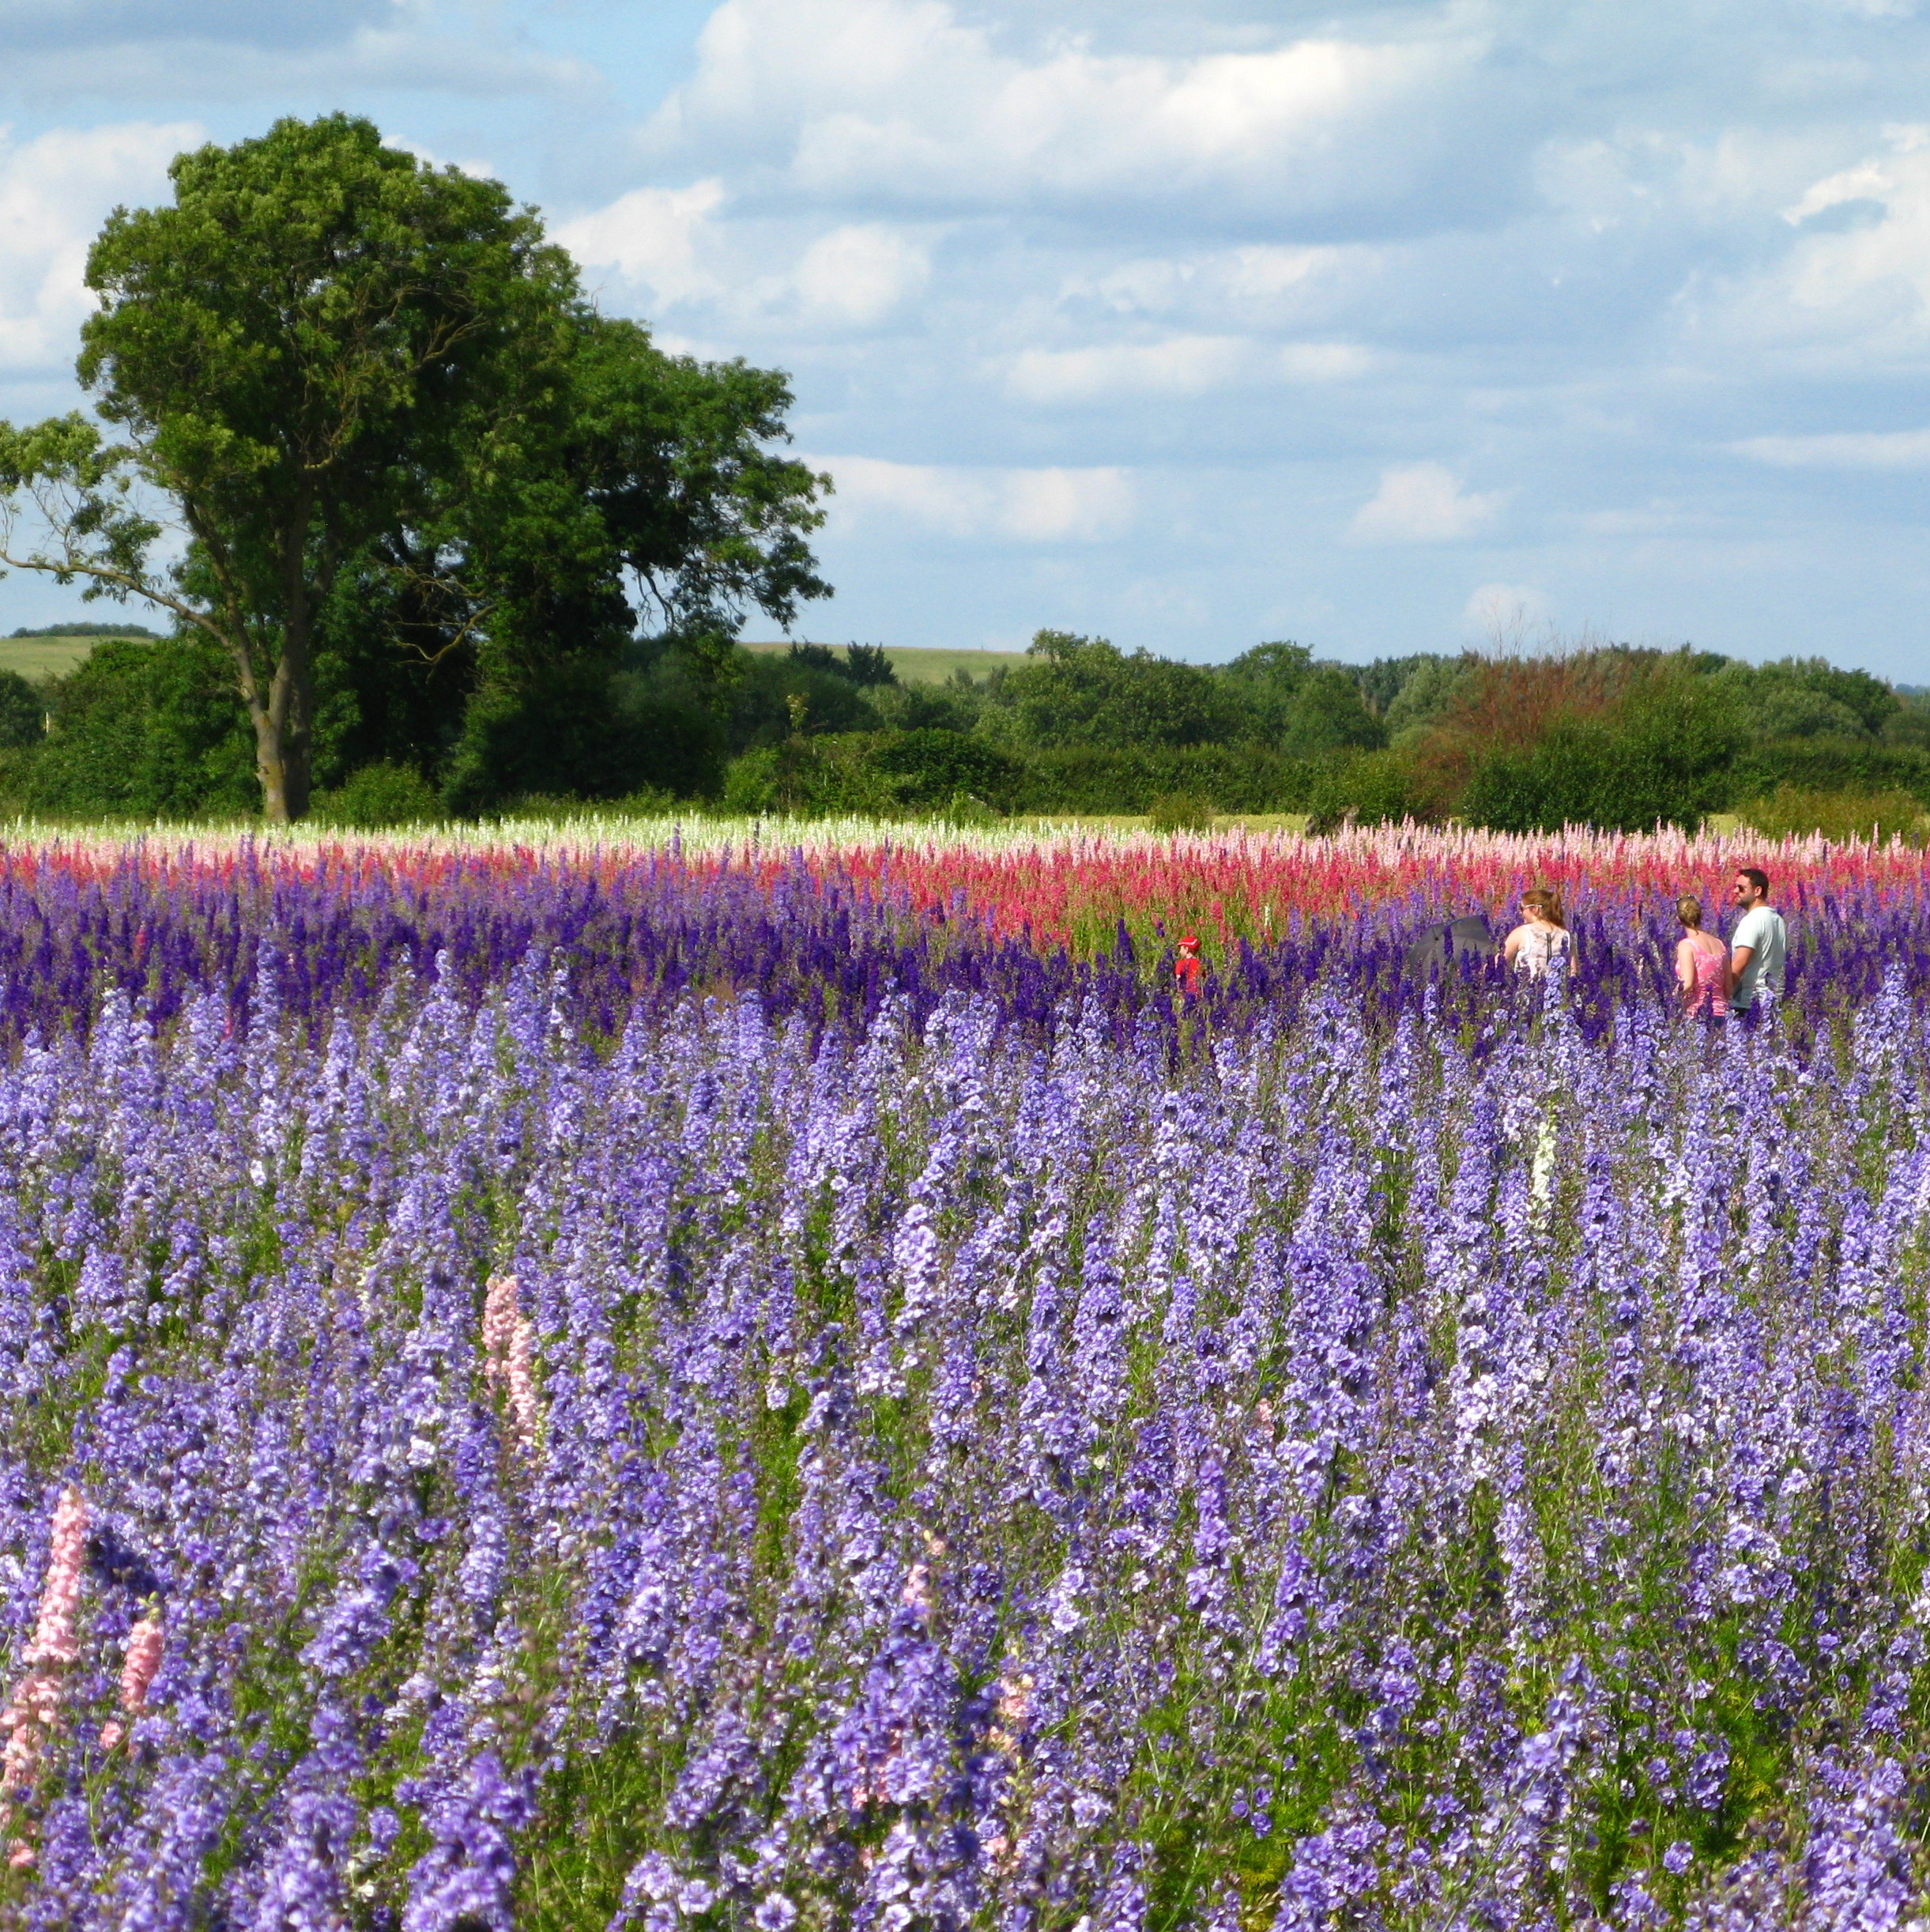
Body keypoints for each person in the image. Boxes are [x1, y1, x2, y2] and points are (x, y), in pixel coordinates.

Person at [1727, 866, 1786, 1015]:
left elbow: (1740, 964)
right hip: (1772, 1000)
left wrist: (1723, 994)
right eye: (1735, 887)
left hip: (1748, 1002)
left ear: (1757, 891)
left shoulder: (1752, 921)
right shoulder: (1778, 920)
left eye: (1741, 888)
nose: (1735, 891)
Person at [1673, 894, 1728, 1017]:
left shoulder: (1687, 945)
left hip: (1698, 1014)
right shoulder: (1720, 944)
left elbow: (1688, 983)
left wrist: (1669, 998)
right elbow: (1728, 989)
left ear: (1678, 919)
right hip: (1722, 1013)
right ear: (1701, 916)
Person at [1501, 887, 1571, 980]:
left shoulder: (1521, 933)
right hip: (1558, 992)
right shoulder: (1565, 935)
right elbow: (1572, 972)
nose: (1520, 913)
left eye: (1522, 908)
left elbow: (1497, 965)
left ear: (1535, 909)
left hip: (1527, 991)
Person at [1174, 933, 1204, 997]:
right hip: (1197, 993)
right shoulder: (1199, 963)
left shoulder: (1181, 963)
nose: (1179, 951)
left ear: (1186, 949)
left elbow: (1179, 979)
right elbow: (1203, 979)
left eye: (1181, 948)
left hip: (1185, 993)